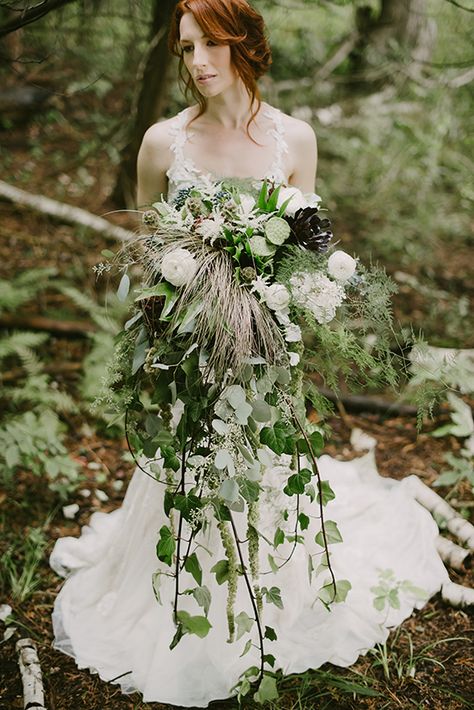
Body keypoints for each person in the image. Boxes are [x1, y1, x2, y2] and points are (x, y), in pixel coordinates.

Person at [50, 1, 449, 707]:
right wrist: (188, 291)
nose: (198, 62)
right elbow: (149, 248)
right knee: (192, 462)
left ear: (245, 44)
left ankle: (270, 582)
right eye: (185, 48)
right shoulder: (162, 142)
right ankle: (181, 593)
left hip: (267, 346)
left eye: (212, 44)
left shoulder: (294, 138)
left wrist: (286, 306)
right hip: (192, 343)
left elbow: (308, 248)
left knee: (261, 464)